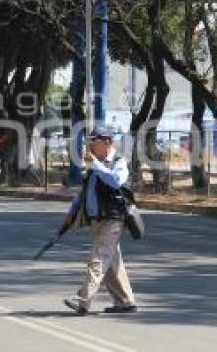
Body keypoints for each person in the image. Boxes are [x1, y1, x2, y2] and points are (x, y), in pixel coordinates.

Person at [62, 126, 137, 315]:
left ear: (106, 143)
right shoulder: (94, 164)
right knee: (111, 262)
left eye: (92, 142)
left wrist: (96, 165)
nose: (89, 146)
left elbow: (116, 181)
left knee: (98, 258)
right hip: (97, 219)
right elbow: (84, 191)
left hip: (113, 219)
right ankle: (125, 301)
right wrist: (72, 212)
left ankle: (83, 300)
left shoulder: (119, 162)